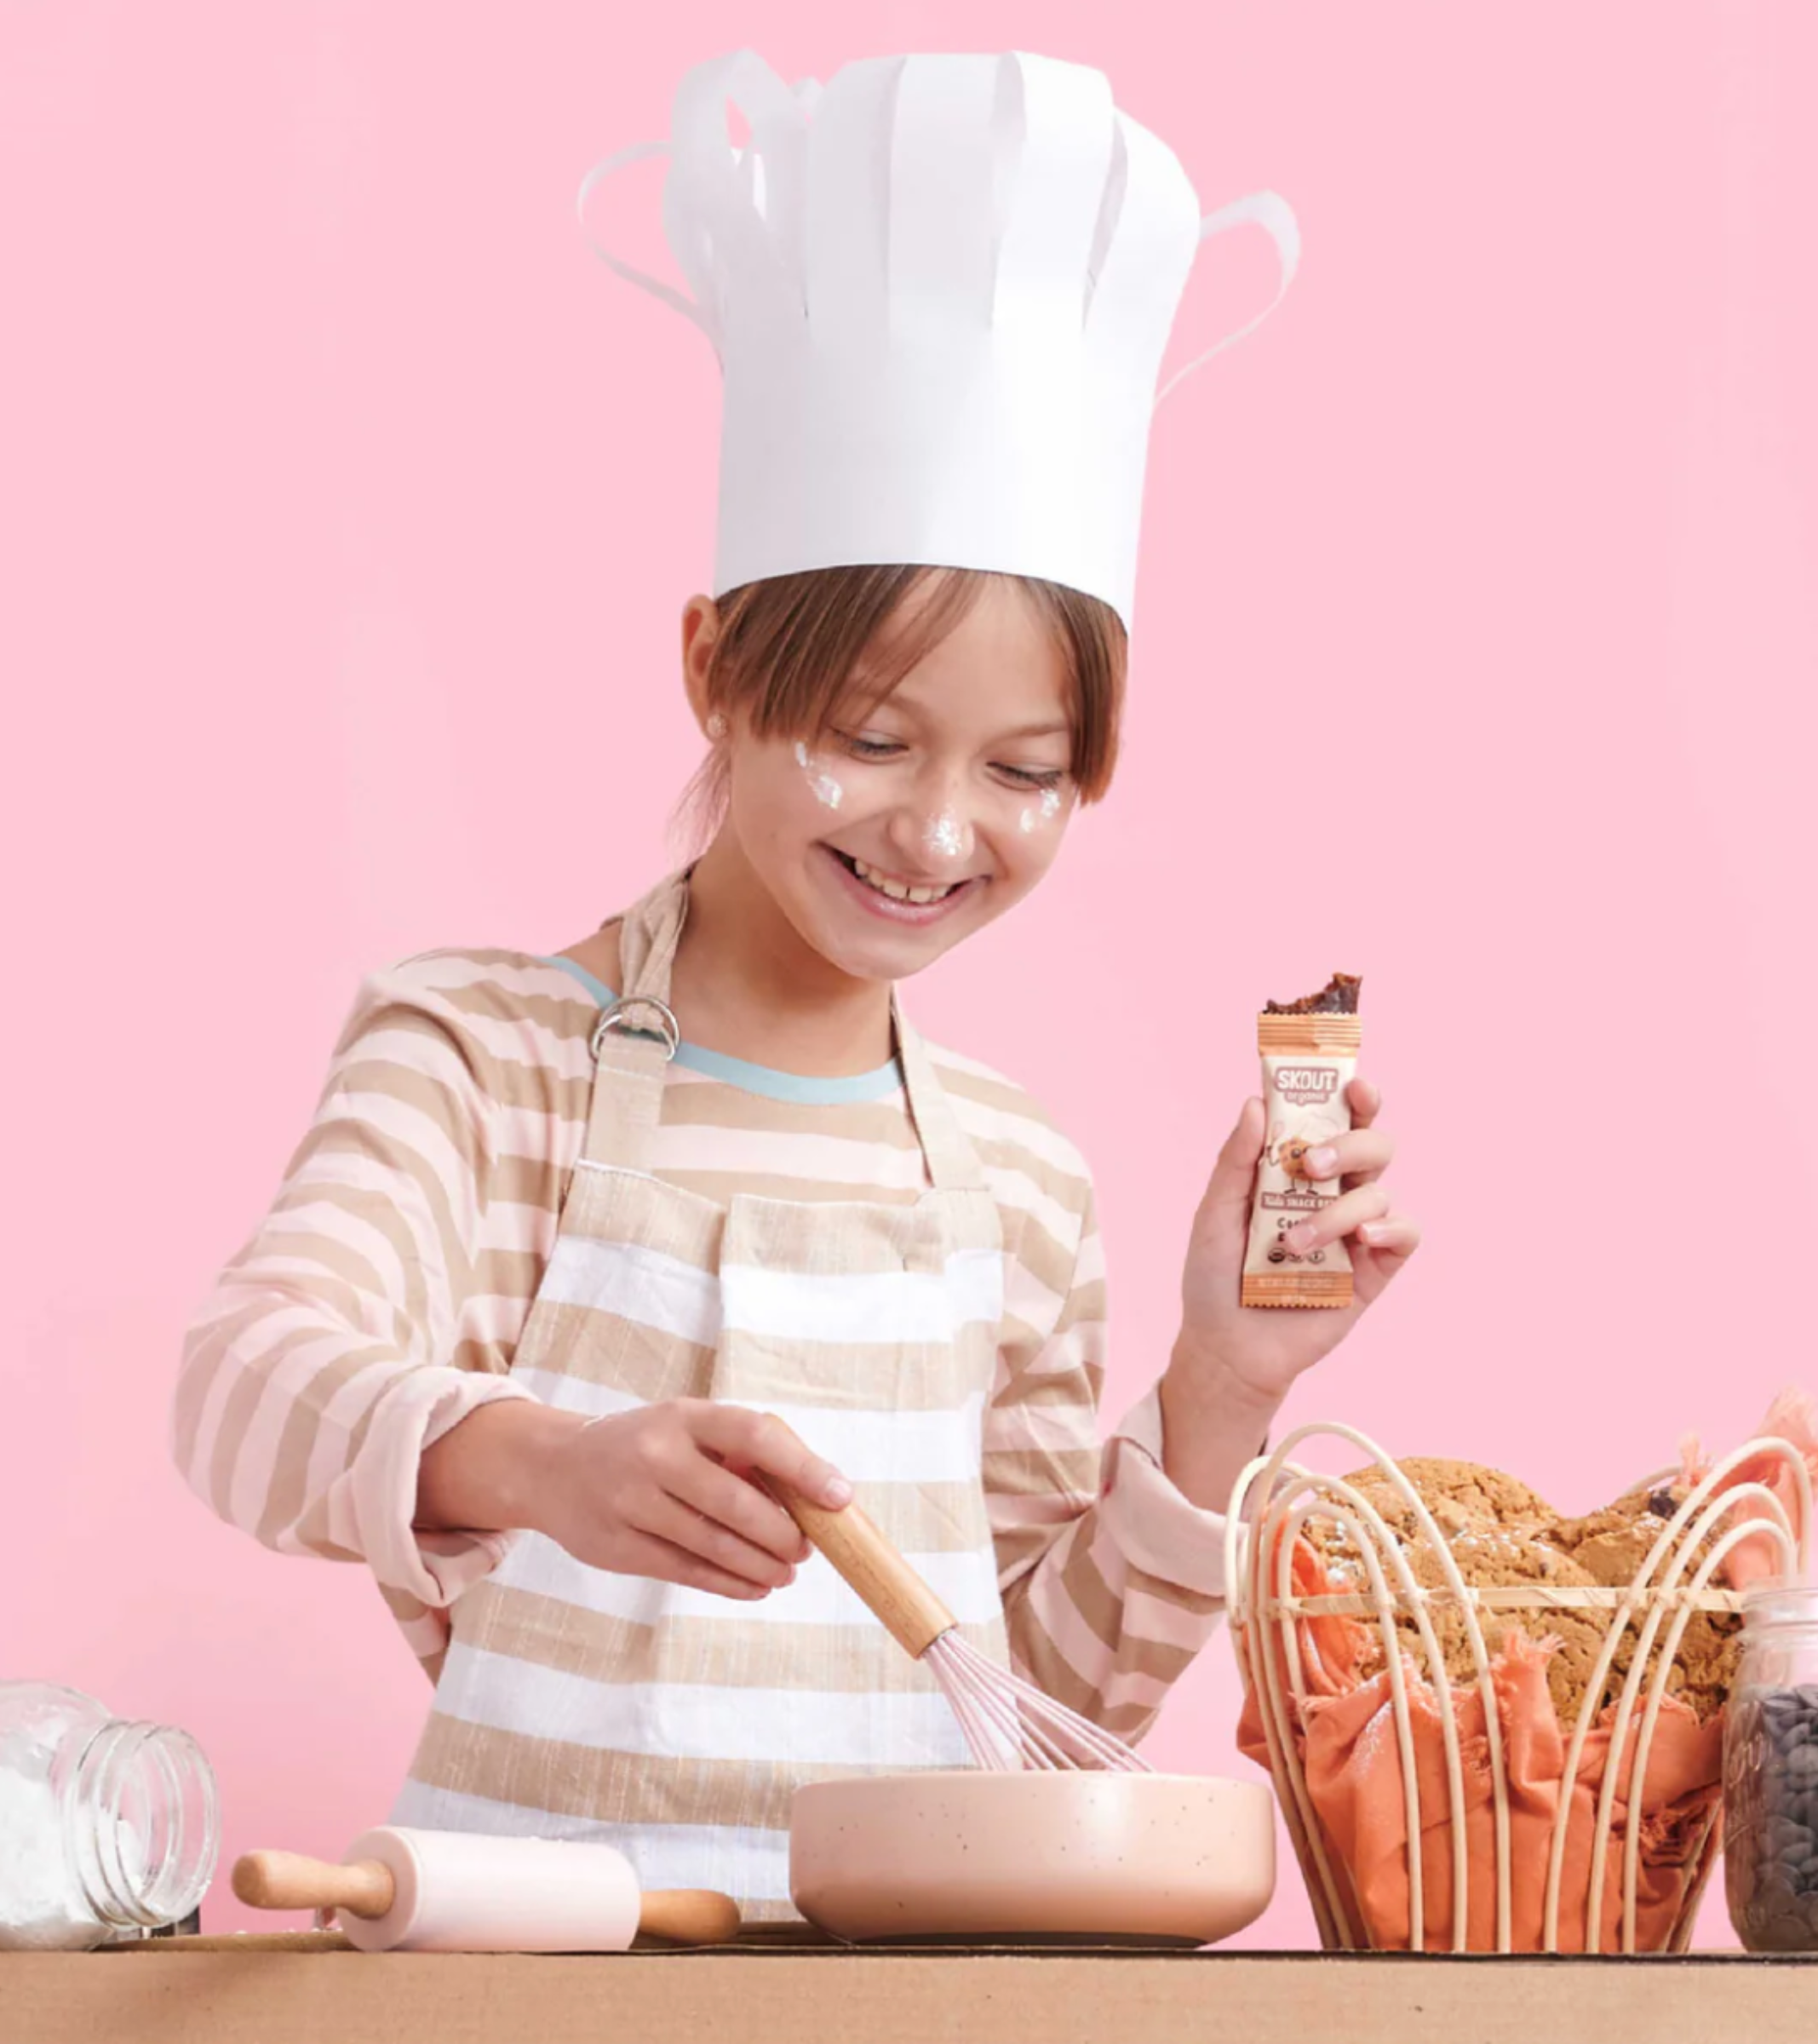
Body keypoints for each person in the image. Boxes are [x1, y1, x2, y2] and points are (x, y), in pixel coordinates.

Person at [171, 48, 1419, 1919]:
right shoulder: (486, 1060)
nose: (934, 832)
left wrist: (1223, 1389)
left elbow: (1024, 1713)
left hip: (898, 2001)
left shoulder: (1015, 1181)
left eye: (1021, 771)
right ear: (715, 671)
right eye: (868, 736)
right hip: (533, 1984)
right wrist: (546, 1466)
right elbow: (243, 1391)